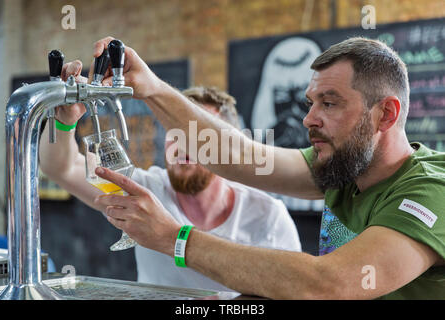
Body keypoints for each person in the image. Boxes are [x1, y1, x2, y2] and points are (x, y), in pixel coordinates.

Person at [65, 36, 444, 299]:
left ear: (386, 114)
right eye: (310, 102)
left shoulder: (431, 191)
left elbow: (329, 284)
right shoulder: (343, 165)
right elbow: (235, 154)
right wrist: (152, 88)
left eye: (329, 103)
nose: (309, 118)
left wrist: (174, 239)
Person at [39, 84, 302, 291]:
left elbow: (295, 291)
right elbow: (61, 168)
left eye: (200, 136)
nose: (184, 144)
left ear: (230, 147)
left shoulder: (268, 217)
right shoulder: (144, 191)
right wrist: (65, 120)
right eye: (176, 133)